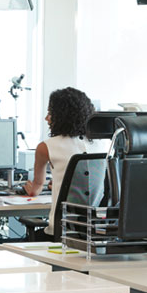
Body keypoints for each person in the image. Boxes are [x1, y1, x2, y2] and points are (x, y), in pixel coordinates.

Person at [24, 88, 100, 236]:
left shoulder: (46, 147)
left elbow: (36, 188)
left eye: (50, 113)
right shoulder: (104, 144)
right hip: (97, 230)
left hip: (61, 231)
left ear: (62, 117)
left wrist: (31, 189)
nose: (47, 118)